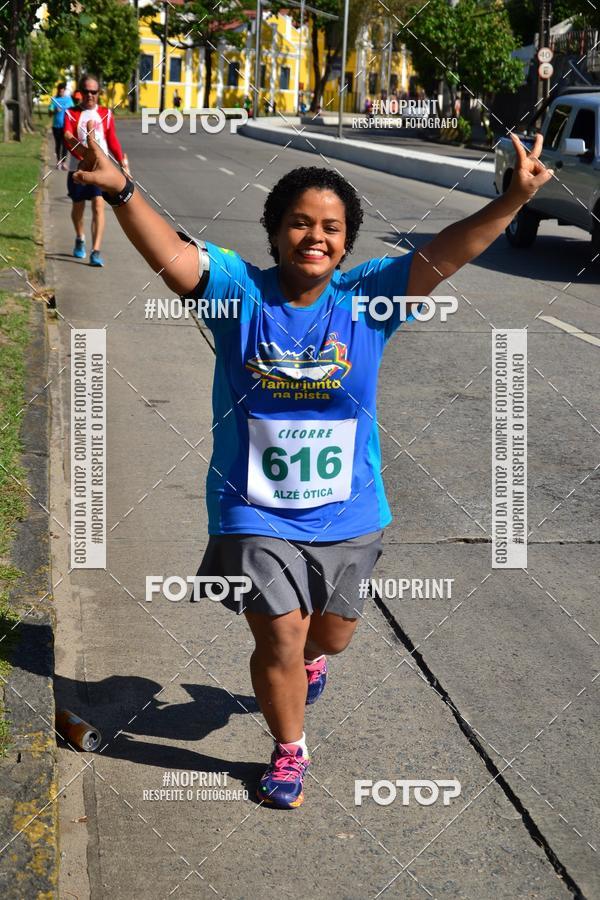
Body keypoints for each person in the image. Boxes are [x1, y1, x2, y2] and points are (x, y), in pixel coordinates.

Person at [71, 122, 552, 808]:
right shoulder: (239, 295)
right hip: (254, 510)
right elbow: (177, 258)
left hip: (350, 511)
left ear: (347, 241)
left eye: (330, 226)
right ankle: (289, 748)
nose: (314, 236)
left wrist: (509, 202)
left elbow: (444, 255)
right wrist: (122, 192)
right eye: (299, 223)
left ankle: (313, 664)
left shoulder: (369, 300)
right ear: (275, 232)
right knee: (281, 635)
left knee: (329, 636)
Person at [63, 74, 130, 267]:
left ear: (98, 93)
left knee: (99, 207)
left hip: (101, 170)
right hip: (79, 169)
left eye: (94, 91)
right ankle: (80, 237)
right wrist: (85, 157)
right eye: (86, 91)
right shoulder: (70, 113)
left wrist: (121, 162)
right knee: (78, 208)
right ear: (80, 92)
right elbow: (68, 138)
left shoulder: (106, 113)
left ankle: (96, 250)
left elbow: (112, 140)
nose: (90, 95)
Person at [48, 82, 73, 169]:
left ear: (64, 91)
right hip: (56, 126)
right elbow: (49, 114)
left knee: (65, 144)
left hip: (66, 126)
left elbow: (73, 111)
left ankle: (64, 163)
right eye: (59, 91)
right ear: (58, 90)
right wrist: (54, 110)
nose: (61, 92)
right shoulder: (54, 99)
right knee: (58, 144)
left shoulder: (69, 100)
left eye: (62, 91)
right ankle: (58, 161)